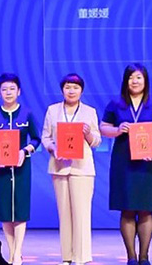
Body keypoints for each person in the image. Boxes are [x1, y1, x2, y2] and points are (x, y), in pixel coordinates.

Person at [100, 63, 152, 265]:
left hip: (148, 163)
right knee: (127, 209)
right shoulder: (116, 104)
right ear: (126, 80)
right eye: (131, 77)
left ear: (145, 80)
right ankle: (131, 257)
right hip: (124, 162)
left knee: (146, 209)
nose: (135, 81)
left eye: (139, 77)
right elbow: (103, 127)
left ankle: (144, 257)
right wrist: (117, 130)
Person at [41, 73, 101, 265]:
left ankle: (81, 257)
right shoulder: (53, 110)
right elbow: (45, 137)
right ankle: (67, 256)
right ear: (62, 90)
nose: (71, 91)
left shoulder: (89, 112)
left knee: (81, 214)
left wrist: (88, 134)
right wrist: (54, 149)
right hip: (59, 167)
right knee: (64, 214)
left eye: (75, 87)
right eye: (67, 87)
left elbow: (97, 141)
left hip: (82, 168)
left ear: (81, 90)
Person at [0, 73, 41, 265]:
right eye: (4, 89)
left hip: (22, 168)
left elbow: (36, 139)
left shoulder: (27, 114)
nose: (8, 92)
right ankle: (11, 251)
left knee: (21, 209)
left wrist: (25, 151)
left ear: (19, 91)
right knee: (5, 210)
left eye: (12, 89)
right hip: (0, 169)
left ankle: (18, 252)